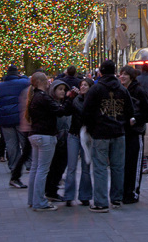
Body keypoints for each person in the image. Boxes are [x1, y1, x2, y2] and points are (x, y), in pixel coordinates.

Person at [82, 59, 135, 213]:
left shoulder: (96, 89)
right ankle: (117, 198)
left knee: (100, 168)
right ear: (115, 72)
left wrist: (91, 128)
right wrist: (122, 123)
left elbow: (86, 112)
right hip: (118, 132)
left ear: (101, 72)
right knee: (118, 167)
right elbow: (130, 112)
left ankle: (101, 201)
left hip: (100, 133)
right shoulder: (123, 90)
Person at [26, 72, 72, 212]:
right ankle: (39, 201)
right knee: (42, 169)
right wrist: (70, 99)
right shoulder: (43, 97)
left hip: (35, 134)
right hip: (45, 135)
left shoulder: (34, 97)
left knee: (35, 168)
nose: (49, 82)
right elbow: (60, 111)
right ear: (42, 82)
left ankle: (33, 199)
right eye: (47, 80)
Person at [120, 64, 148, 204]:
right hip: (123, 132)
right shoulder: (121, 90)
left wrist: (136, 120)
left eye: (125, 75)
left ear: (131, 77)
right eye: (121, 74)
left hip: (135, 132)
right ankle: (124, 191)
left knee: (134, 163)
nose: (122, 77)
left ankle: (132, 192)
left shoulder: (138, 90)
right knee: (124, 163)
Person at [63, 78, 93, 206]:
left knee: (86, 166)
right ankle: (69, 195)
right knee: (71, 166)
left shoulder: (93, 100)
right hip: (74, 134)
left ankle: (85, 195)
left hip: (87, 135)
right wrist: (69, 99)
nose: (83, 87)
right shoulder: (76, 99)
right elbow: (66, 111)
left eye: (85, 85)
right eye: (81, 85)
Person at [0, 65, 30, 174]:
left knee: (11, 144)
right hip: (20, 117)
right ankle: (29, 163)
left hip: (5, 119)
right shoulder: (23, 83)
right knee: (25, 142)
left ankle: (14, 165)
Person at [44, 80, 71, 202]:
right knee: (54, 166)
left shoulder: (65, 103)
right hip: (55, 138)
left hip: (65, 139)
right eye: (60, 89)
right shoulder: (51, 104)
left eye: (64, 90)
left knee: (61, 166)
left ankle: (52, 189)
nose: (62, 92)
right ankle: (50, 189)